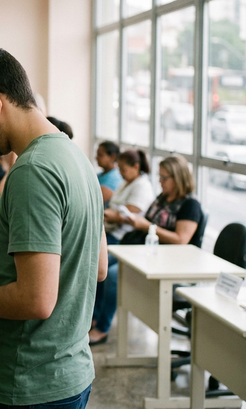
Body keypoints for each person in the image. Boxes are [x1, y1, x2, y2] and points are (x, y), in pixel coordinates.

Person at [0, 44, 107, 408]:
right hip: (70, 372)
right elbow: (94, 267)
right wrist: (6, 263)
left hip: (29, 381)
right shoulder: (73, 156)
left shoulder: (32, 171)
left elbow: (35, 300)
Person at [90, 155, 201, 346]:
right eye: (160, 176)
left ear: (179, 178)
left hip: (167, 259)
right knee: (103, 265)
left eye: (164, 178)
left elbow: (181, 240)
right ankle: (95, 317)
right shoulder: (163, 198)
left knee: (115, 275)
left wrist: (146, 226)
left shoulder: (190, 205)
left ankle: (102, 327)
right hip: (146, 251)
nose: (160, 181)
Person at [89, 149, 155, 345]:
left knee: (107, 271)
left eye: (125, 169)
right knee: (95, 264)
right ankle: (94, 315)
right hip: (113, 233)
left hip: (124, 238)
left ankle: (102, 325)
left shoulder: (142, 186)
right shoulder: (126, 182)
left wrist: (114, 215)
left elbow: (131, 215)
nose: (122, 173)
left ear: (136, 167)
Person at [96, 141, 121, 205]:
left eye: (100, 155)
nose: (96, 157)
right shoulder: (100, 174)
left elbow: (95, 200)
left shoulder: (115, 178)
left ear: (112, 156)